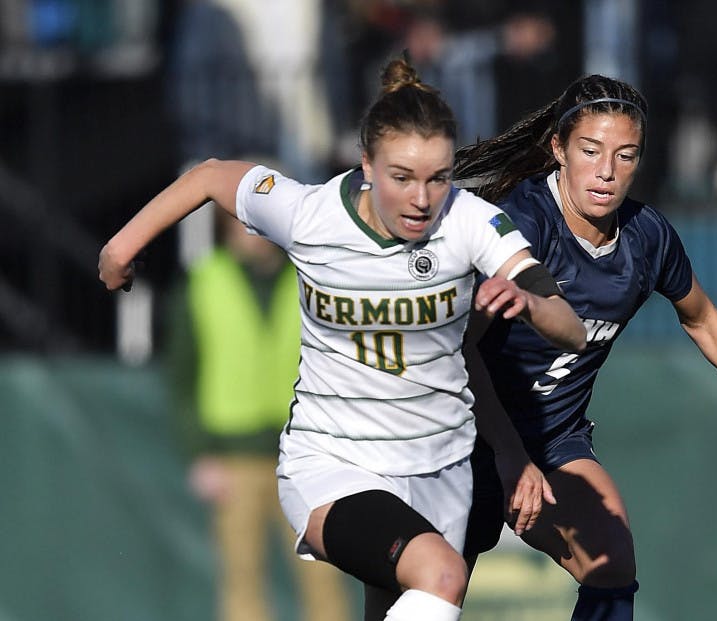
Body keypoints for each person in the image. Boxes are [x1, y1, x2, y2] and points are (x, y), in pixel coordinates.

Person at [99, 58, 586, 621]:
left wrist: (530, 304)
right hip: (333, 463)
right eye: (402, 177)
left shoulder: (471, 221)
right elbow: (210, 176)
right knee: (441, 575)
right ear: (366, 165)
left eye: (438, 177)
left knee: (408, 600)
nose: (422, 198)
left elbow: (571, 329)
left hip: (441, 469)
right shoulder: (309, 214)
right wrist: (120, 247)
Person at [453, 74, 717, 620]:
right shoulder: (518, 225)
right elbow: (460, 351)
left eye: (625, 156)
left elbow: (702, 318)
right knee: (433, 592)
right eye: (590, 151)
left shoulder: (647, 237)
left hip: (552, 441)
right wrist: (508, 454)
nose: (607, 171)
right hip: (462, 438)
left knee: (612, 565)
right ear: (558, 149)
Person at [166, 210, 352, 621]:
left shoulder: (310, 279)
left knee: (323, 573)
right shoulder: (203, 281)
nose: (255, 235)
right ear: (227, 228)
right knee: (242, 576)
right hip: (234, 454)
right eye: (245, 223)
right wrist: (199, 453)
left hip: (307, 452)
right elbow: (181, 375)